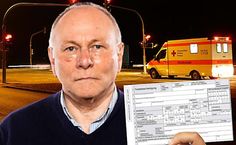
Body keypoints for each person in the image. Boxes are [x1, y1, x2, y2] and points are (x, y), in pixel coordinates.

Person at [0, 2, 206, 145]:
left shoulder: (168, 128)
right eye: (71, 48)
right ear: (53, 59)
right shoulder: (13, 131)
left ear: (119, 54)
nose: (84, 61)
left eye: (97, 46)